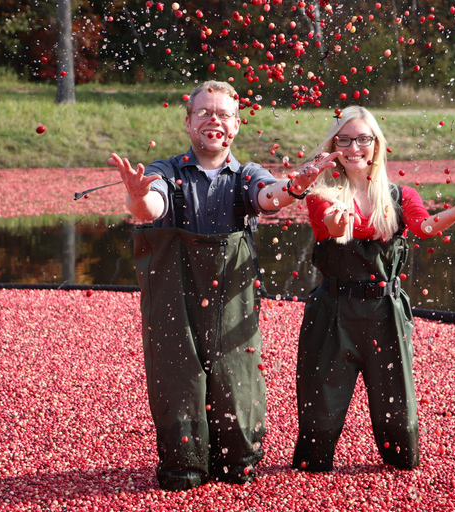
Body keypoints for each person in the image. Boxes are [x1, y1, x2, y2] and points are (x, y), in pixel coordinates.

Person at [107, 80, 339, 491]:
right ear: (188, 122)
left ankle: (238, 458)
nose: (213, 119)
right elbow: (151, 205)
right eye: (204, 112)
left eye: (224, 114)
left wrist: (294, 187)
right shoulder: (166, 171)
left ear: (235, 127)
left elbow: (268, 197)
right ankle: (184, 462)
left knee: (236, 371)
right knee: (176, 374)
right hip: (172, 295)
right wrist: (136, 196)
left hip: (233, 294)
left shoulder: (247, 174)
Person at [291, 106, 455, 472]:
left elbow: (423, 227)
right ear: (333, 146)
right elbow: (330, 226)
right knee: (320, 410)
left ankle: (399, 466)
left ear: (376, 145)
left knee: (397, 408)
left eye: (363, 139)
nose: (353, 147)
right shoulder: (321, 195)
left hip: (385, 313)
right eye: (344, 139)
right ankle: (313, 468)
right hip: (333, 312)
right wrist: (334, 219)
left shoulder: (400, 195)